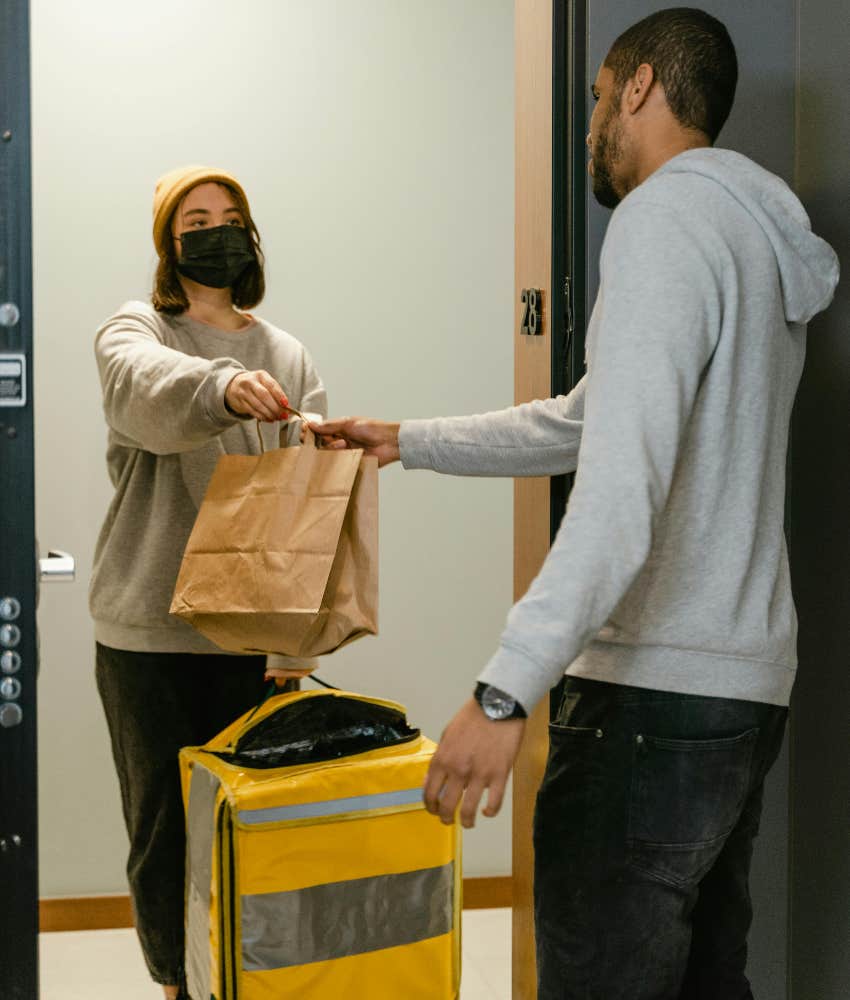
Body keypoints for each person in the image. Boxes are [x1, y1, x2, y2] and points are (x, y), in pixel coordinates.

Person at [313, 9, 839, 999]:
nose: (592, 116)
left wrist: (506, 688)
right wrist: (406, 442)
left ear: (638, 85)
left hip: (647, 699)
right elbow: (585, 421)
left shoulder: (662, 222)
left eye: (597, 94)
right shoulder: (752, 238)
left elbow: (618, 488)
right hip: (739, 693)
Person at [89, 166, 327, 1000]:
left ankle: (244, 981)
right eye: (195, 219)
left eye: (231, 217)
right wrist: (221, 388)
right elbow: (142, 396)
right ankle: (176, 987)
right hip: (148, 634)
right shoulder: (136, 330)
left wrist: (296, 641)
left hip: (252, 641)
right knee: (163, 835)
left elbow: (307, 509)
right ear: (169, 240)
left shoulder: (287, 353)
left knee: (253, 831)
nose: (215, 231)